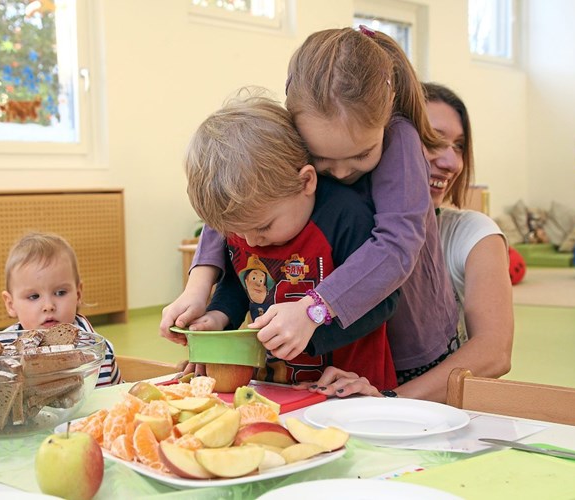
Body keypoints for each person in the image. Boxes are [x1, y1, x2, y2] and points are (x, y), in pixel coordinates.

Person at [162, 26, 458, 393]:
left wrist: (312, 310)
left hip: (410, 341)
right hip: (332, 347)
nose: (342, 172)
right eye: (322, 159)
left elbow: (397, 247)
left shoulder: (399, 140)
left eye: (363, 154)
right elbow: (234, 201)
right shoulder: (302, 126)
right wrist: (198, 284)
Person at [295, 83, 514, 402]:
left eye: (459, 146)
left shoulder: (474, 233)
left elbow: (494, 352)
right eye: (432, 140)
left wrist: (389, 400)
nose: (452, 162)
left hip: (425, 405)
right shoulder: (344, 224)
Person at [183, 90, 398, 390]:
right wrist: (220, 316)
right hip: (277, 386)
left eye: (264, 227)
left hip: (351, 388)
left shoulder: (345, 216)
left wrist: (311, 331)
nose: (251, 242)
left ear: (306, 181)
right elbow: (239, 281)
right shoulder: (250, 225)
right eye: (239, 234)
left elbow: (382, 299)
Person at [2, 232, 121, 387]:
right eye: (34, 296)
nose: (48, 306)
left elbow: (110, 401)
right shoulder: (1, 351)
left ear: (78, 294)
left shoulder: (96, 349)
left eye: (60, 293)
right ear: (11, 305)